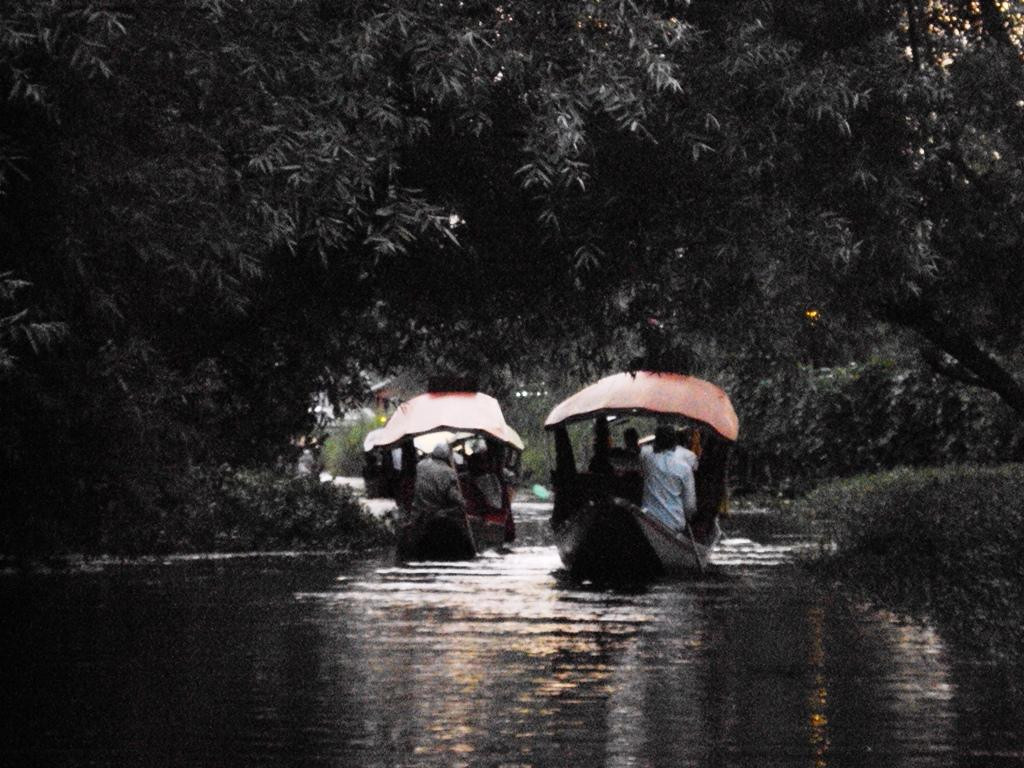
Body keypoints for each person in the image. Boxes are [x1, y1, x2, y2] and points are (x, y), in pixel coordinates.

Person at [640, 425, 697, 532]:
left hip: (648, 521)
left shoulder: (646, 457)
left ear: (655, 442)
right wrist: (689, 518)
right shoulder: (685, 468)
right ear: (675, 444)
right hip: (674, 523)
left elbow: (645, 450)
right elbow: (690, 507)